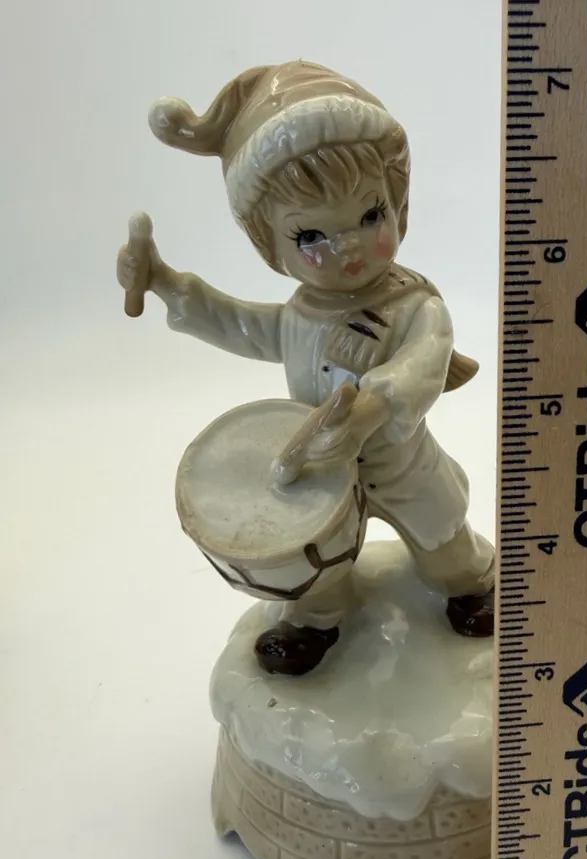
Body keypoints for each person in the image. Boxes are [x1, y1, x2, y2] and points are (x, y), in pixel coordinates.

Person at [117, 60, 495, 676]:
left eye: (371, 216)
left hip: (401, 462)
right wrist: (163, 282)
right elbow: (244, 325)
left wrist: (372, 407)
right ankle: (317, 622)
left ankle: (470, 585)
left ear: (398, 204)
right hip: (320, 471)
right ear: (270, 245)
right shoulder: (300, 314)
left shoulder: (414, 306)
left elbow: (424, 363)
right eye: (311, 236)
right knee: (317, 565)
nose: (348, 247)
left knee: (442, 539)